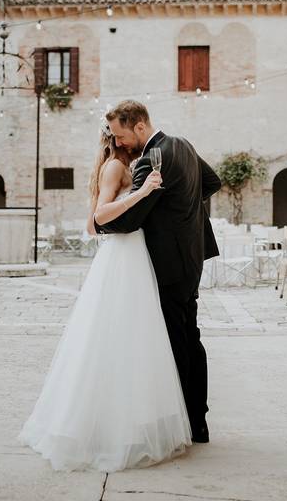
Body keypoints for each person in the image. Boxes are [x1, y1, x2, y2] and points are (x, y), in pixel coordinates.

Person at [19, 117, 195, 472]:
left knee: (134, 342)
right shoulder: (116, 166)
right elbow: (97, 219)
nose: (125, 140)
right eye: (119, 135)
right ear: (115, 139)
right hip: (121, 257)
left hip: (134, 255)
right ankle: (107, 431)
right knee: (113, 338)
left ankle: (130, 424)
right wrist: (144, 193)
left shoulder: (128, 164)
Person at [94, 100, 222, 444]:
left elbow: (130, 219)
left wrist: (102, 224)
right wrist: (184, 209)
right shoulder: (183, 145)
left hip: (168, 263)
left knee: (176, 342)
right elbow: (212, 181)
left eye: (121, 135)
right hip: (192, 257)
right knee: (190, 336)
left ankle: (189, 423)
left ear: (139, 127)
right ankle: (199, 419)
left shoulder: (153, 158)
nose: (118, 142)